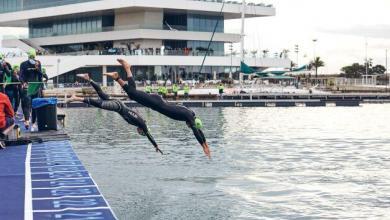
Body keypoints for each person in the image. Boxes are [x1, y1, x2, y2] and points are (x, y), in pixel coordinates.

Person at [104, 59, 210, 158]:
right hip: (156, 103)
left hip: (156, 103)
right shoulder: (189, 116)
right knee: (133, 93)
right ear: (194, 122)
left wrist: (206, 144)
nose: (189, 126)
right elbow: (196, 132)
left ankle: (117, 77)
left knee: (132, 94)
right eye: (191, 126)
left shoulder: (190, 114)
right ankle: (127, 68)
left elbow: (198, 130)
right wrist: (203, 147)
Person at [67, 74, 163, 154]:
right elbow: (148, 135)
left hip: (119, 105)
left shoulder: (138, 122)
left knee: (101, 94)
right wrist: (156, 145)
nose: (138, 132)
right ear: (142, 130)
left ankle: (88, 79)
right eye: (140, 132)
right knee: (99, 104)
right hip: (118, 106)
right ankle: (76, 98)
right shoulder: (141, 123)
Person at [20, 49, 48, 130]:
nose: (32, 58)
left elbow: (40, 75)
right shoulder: (23, 64)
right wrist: (23, 83)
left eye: (33, 57)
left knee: (34, 105)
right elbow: (21, 75)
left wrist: (37, 68)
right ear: (29, 56)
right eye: (31, 57)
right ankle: (27, 120)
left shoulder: (38, 63)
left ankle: (33, 123)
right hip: (27, 86)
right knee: (27, 104)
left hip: (36, 87)